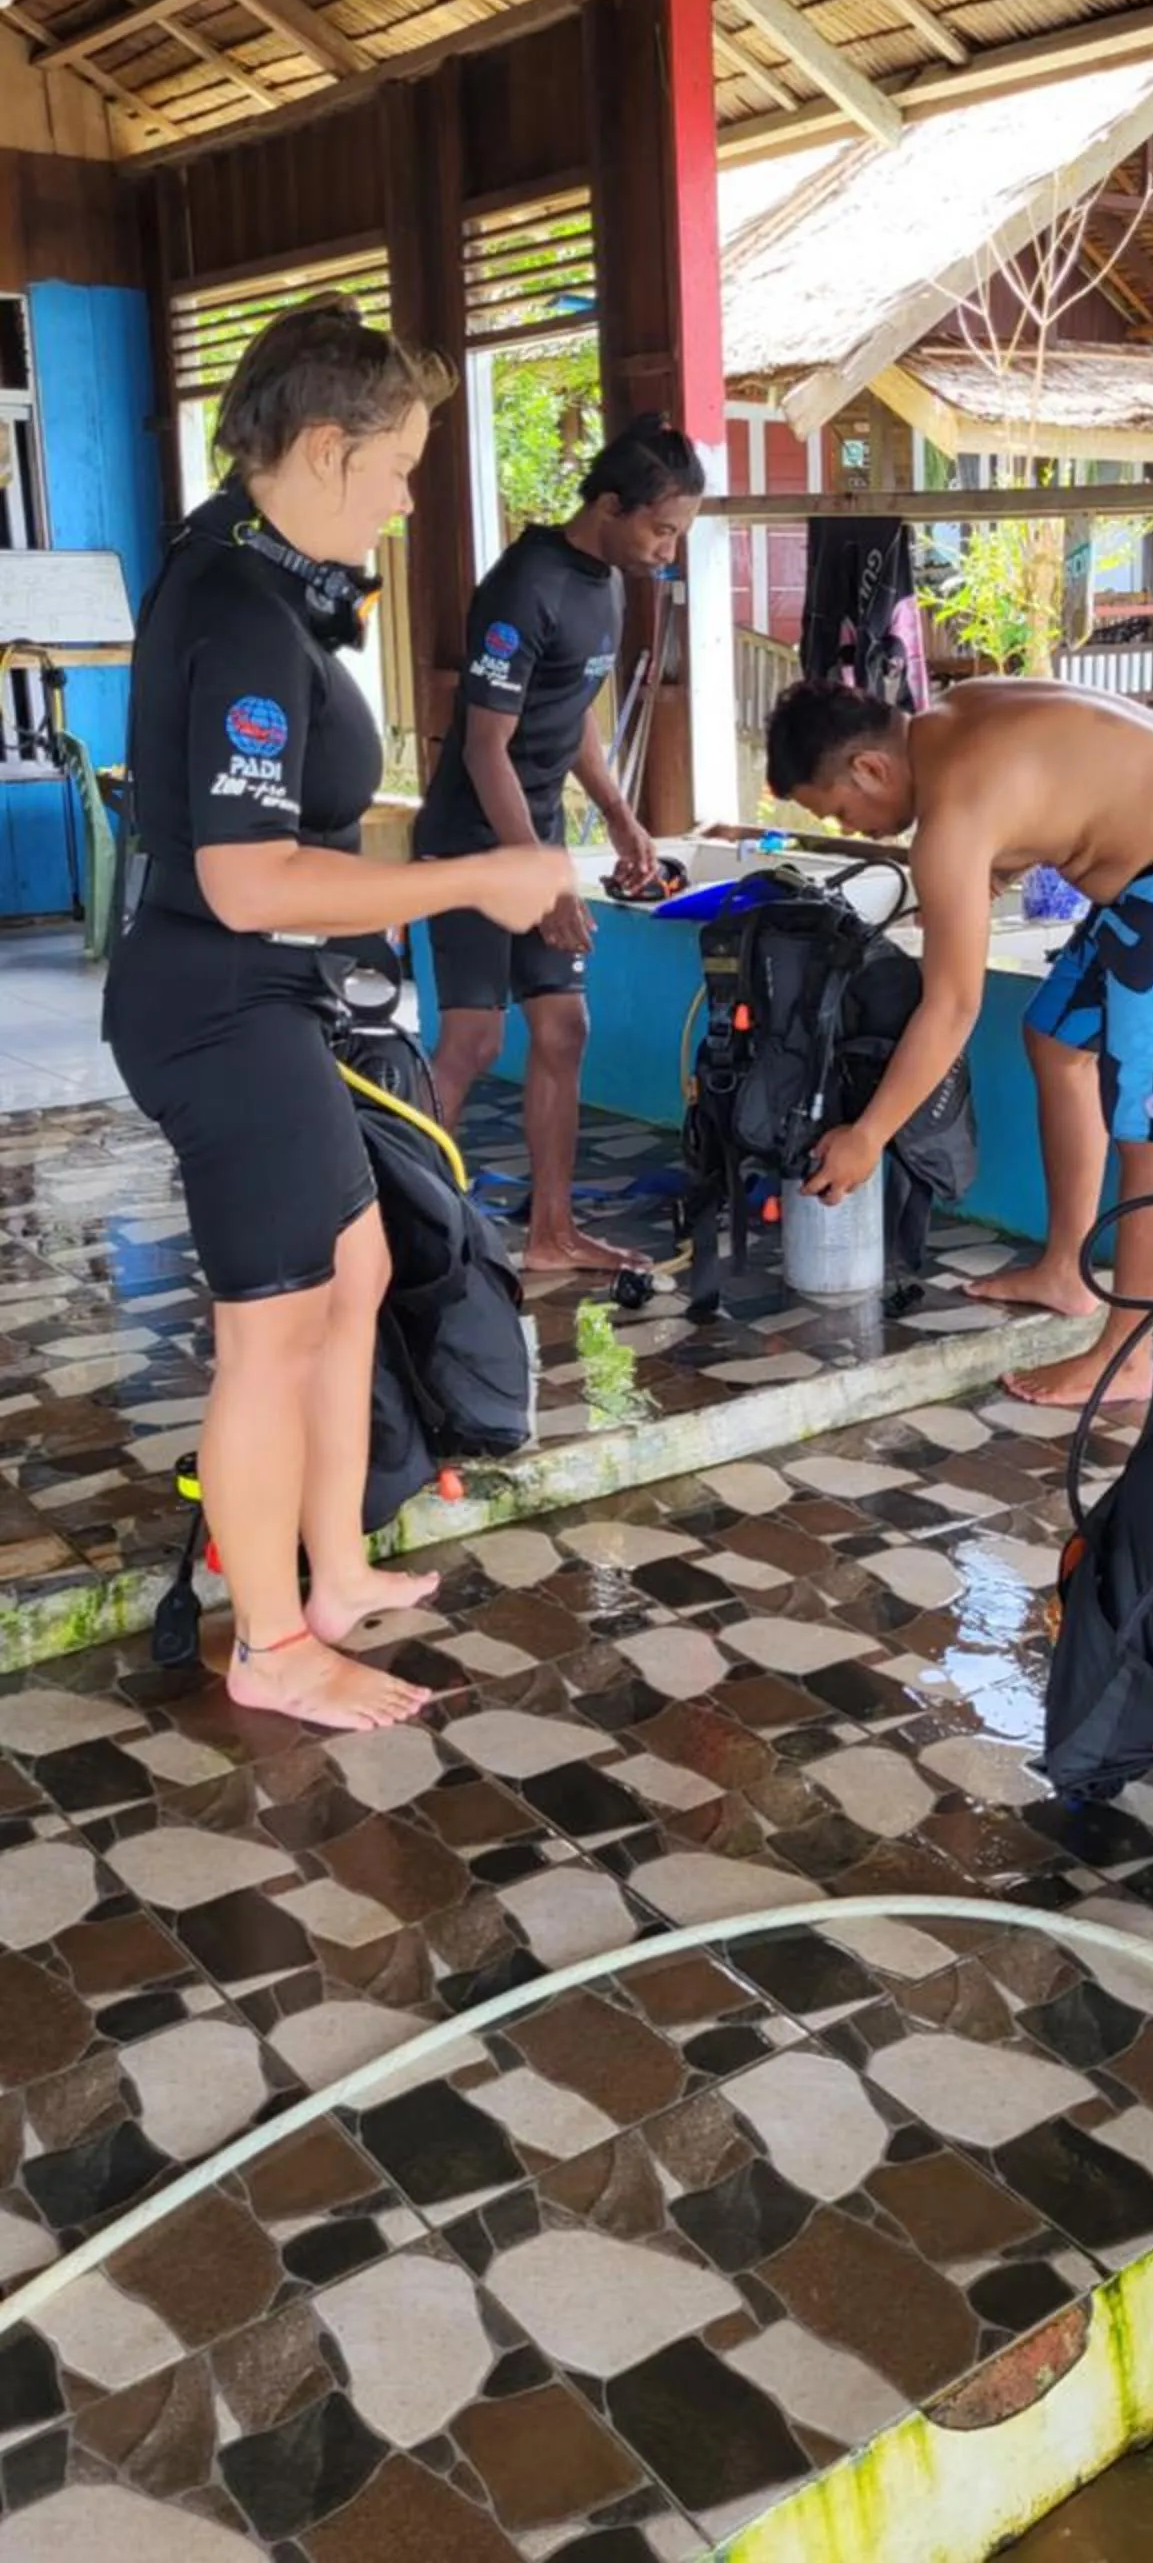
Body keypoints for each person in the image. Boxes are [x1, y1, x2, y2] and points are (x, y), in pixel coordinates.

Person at [106, 299, 571, 1735]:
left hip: (266, 992)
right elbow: (246, 880)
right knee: (277, 1324)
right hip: (217, 1004)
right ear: (322, 448)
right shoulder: (241, 611)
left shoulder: (246, 566)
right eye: (397, 467)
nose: (407, 499)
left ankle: (333, 1566)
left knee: (355, 1269)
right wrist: (474, 879)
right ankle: (267, 1644)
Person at [764, 674, 1153, 1410]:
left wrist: (867, 1136)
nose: (853, 830)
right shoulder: (957, 718)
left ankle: (1133, 1353)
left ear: (869, 767)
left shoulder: (952, 813)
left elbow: (952, 1006)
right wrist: (1003, 860)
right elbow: (1068, 781)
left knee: (1150, 1118)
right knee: (1055, 1038)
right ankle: (1066, 1271)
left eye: (842, 812)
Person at [414, 416, 704, 1275]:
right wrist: (545, 881)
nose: (668, 551)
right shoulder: (524, 586)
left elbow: (569, 709)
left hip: (531, 833)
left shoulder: (607, 580)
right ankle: (392, 1237)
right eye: (661, 530)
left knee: (564, 1027)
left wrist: (618, 813)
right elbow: (484, 749)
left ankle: (550, 1234)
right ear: (609, 507)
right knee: (471, 1041)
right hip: (472, 843)